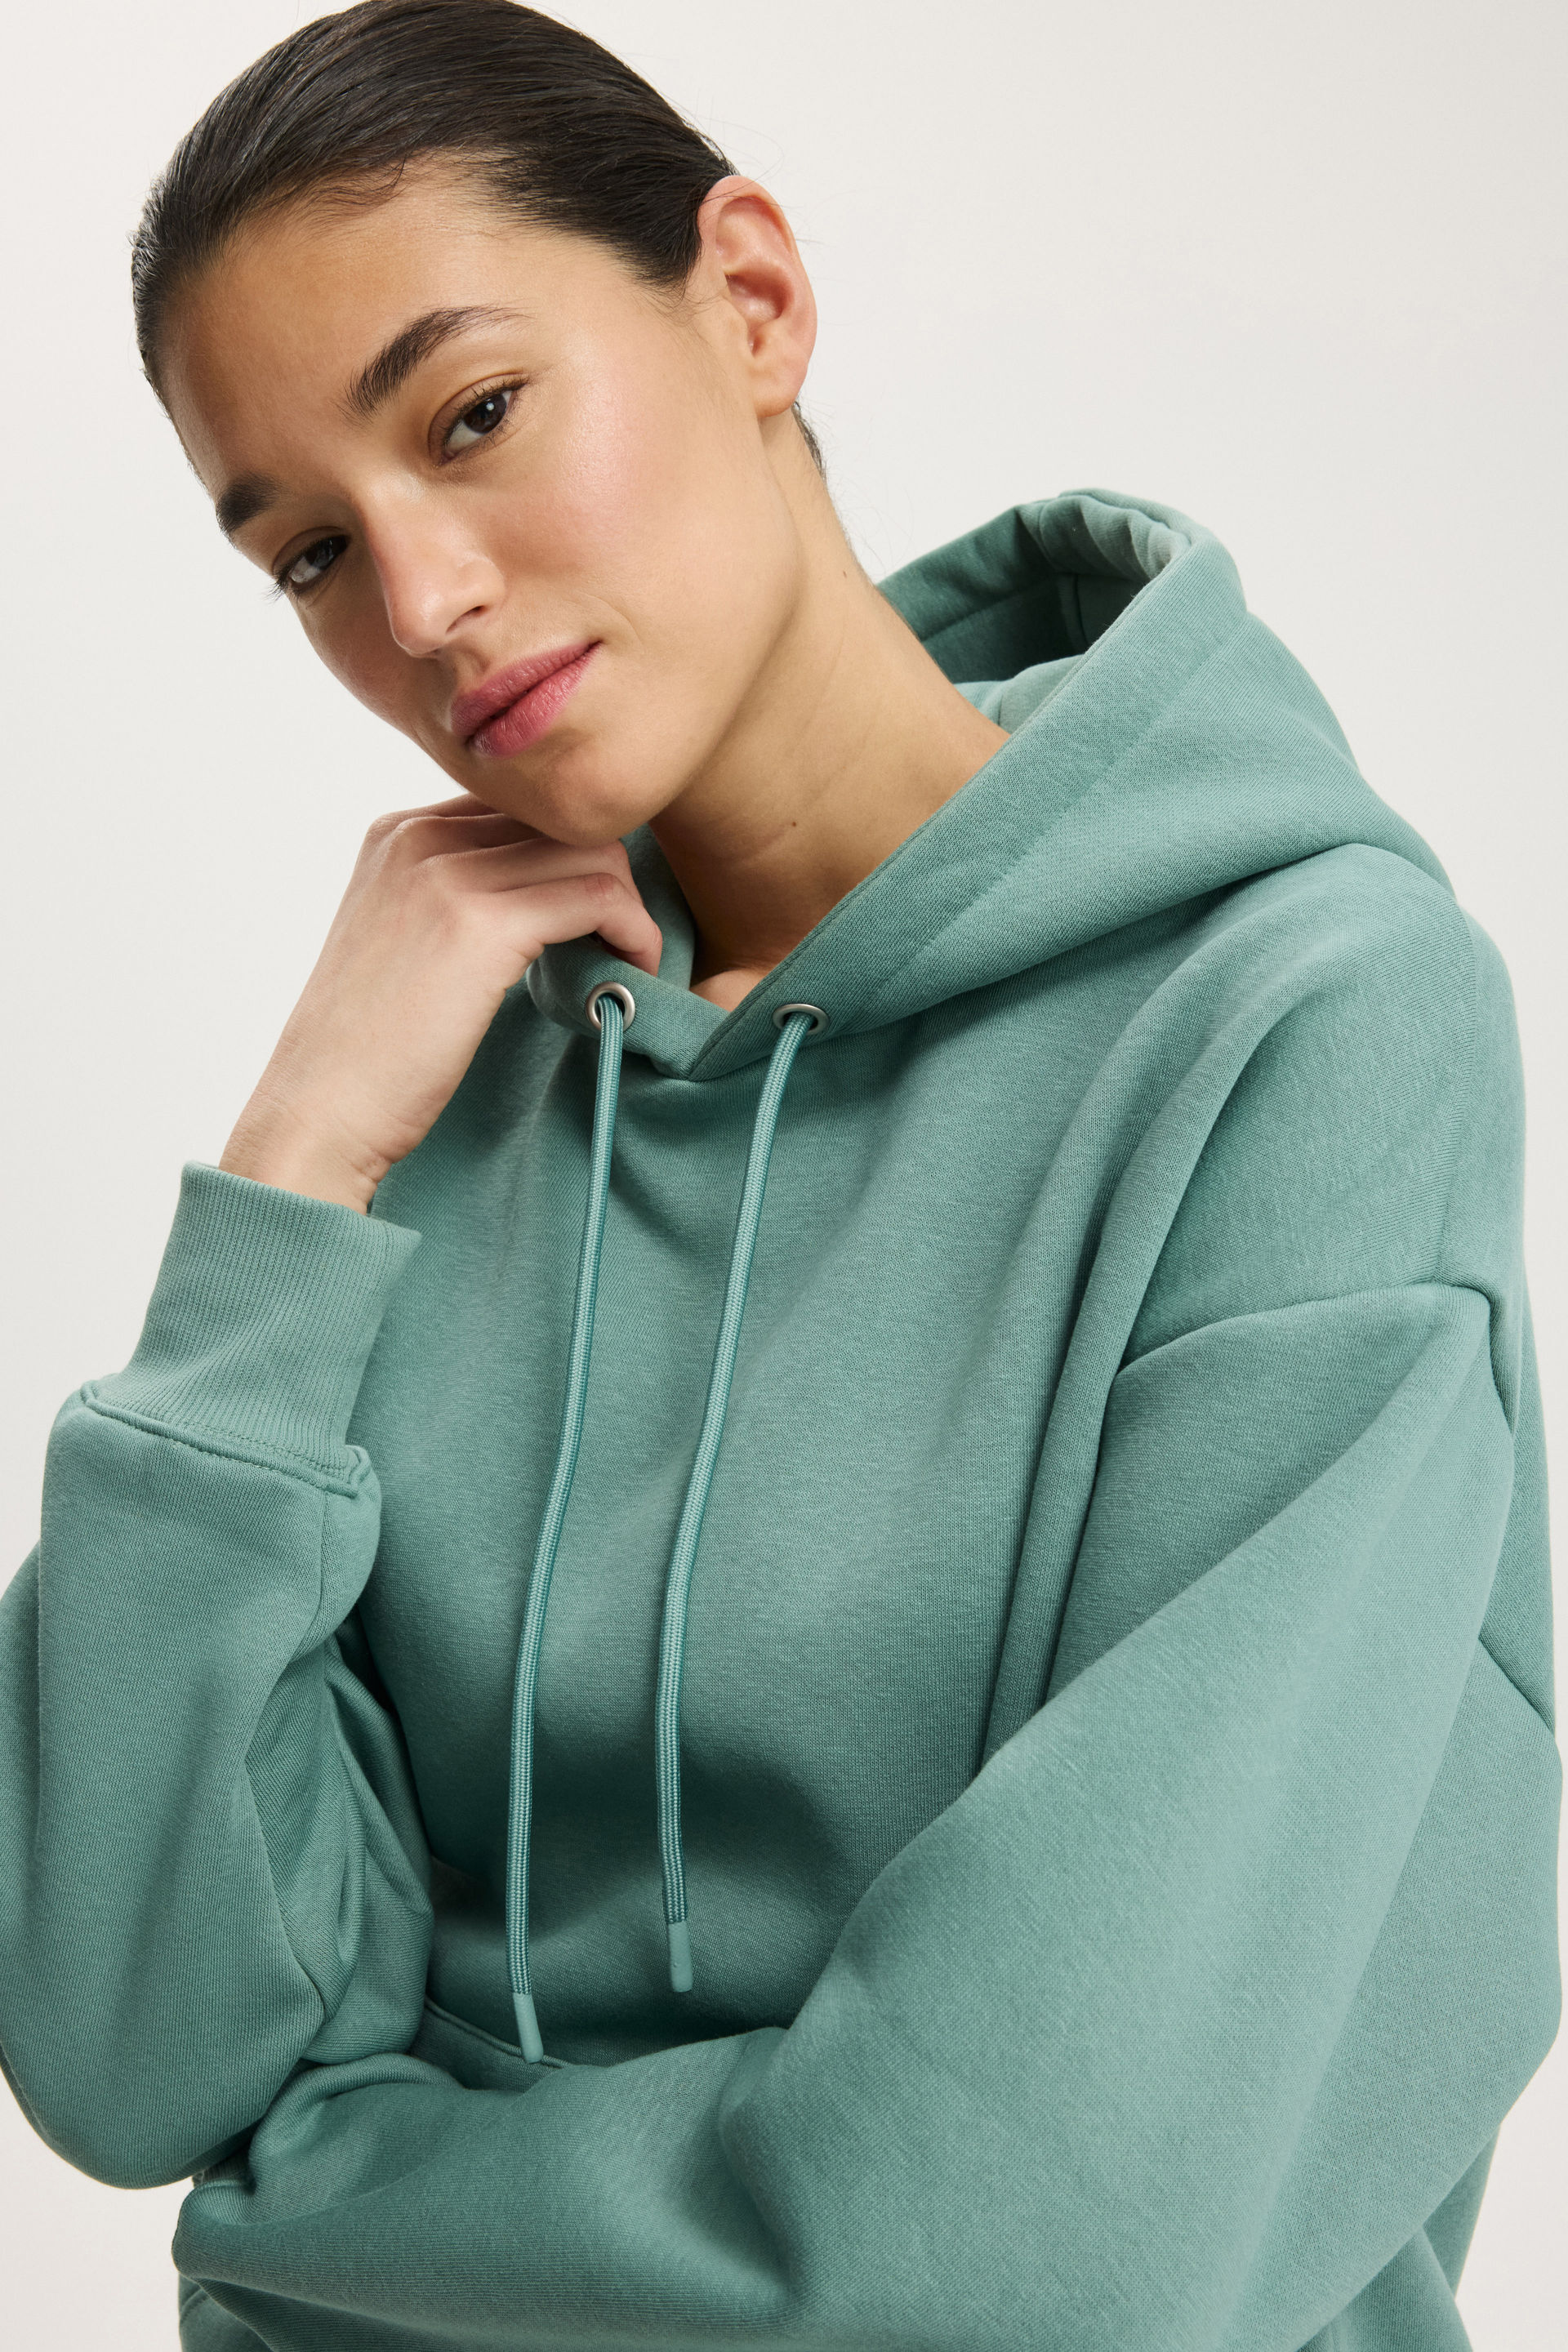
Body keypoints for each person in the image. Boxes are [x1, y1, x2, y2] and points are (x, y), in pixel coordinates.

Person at [0, 2, 1557, 2345]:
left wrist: (317, 2212)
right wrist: (292, 1181)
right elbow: (132, 2050)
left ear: (749, 298)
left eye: (472, 416)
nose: (419, 604)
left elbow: (1027, 2249)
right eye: (310, 549)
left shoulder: (1301, 1026)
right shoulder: (433, 1097)